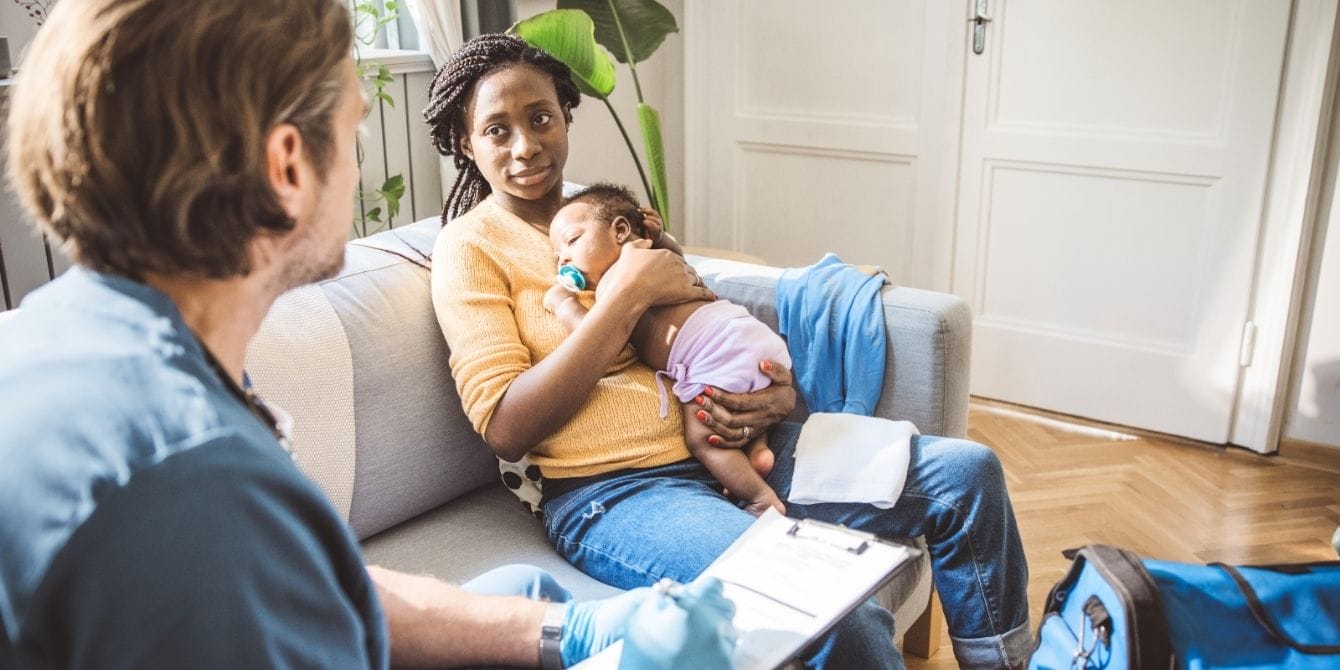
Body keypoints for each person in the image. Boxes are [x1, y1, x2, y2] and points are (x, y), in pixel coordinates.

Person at [0, 2, 732, 668]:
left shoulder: (109, 348)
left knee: (522, 591)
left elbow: (308, 582)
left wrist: (550, 632)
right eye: (353, 130)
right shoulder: (189, 473)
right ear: (289, 167)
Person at [428, 31, 1033, 670]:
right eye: (497, 130)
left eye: (541, 118)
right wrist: (621, 300)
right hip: (618, 495)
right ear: (467, 144)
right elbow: (504, 426)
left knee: (967, 475)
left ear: (566, 116)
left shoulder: (606, 214)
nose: (526, 146)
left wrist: (771, 394)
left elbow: (702, 322)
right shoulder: (469, 248)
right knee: (839, 613)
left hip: (730, 446)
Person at [544, 183, 788, 516]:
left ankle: (760, 497)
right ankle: (757, 450)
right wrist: (662, 239)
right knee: (736, 408)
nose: (564, 259)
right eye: (558, 256)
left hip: (713, 349)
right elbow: (679, 263)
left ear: (619, 230)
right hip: (745, 334)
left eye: (572, 242)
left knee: (702, 437)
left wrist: (563, 306)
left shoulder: (620, 278)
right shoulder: (655, 258)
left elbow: (597, 340)